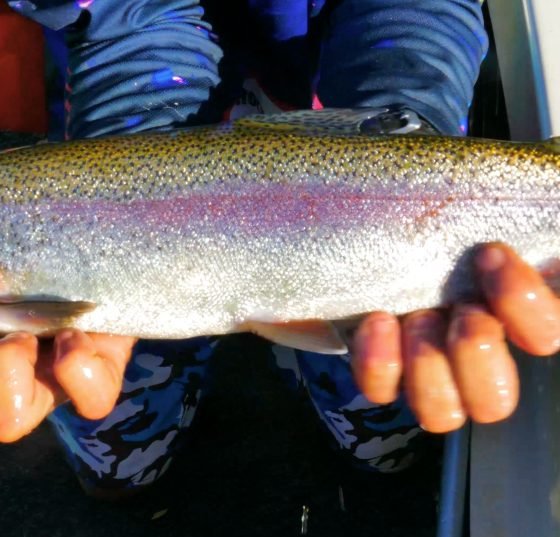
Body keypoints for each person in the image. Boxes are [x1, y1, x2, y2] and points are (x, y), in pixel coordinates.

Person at [3, 0, 560, 496]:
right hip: (144, 111)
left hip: (359, 98)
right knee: (107, 432)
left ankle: (377, 452)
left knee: (381, 392)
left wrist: (400, 116)